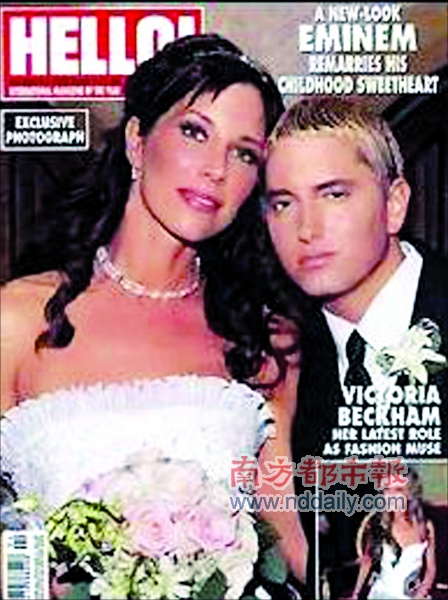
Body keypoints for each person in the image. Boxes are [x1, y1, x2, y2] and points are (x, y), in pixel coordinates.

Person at [0, 33, 308, 589]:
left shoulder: (265, 341)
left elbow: (285, 541)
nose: (216, 169)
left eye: (244, 153)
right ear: (137, 142)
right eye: (195, 132)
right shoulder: (18, 322)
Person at [260, 95, 447, 595]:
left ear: (394, 203)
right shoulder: (274, 360)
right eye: (283, 203)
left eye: (334, 194)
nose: (307, 229)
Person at [353, 467, 437, 599]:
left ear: (410, 493)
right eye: (387, 489)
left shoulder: (425, 527)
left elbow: (430, 570)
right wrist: (355, 595)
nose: (391, 495)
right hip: (381, 594)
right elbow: (367, 561)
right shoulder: (378, 524)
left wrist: (420, 595)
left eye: (398, 489)